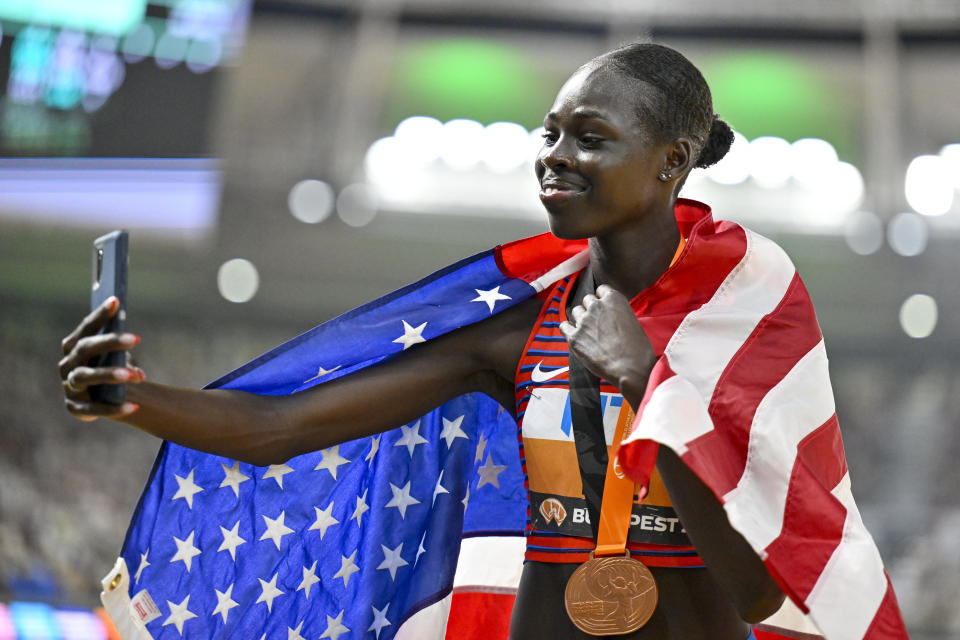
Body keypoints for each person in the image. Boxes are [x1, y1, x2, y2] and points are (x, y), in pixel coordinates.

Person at [60, 44, 791, 639]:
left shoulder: (741, 335)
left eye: (590, 138)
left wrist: (646, 385)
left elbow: (759, 588)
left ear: (672, 160)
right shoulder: (517, 334)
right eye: (552, 133)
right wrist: (129, 397)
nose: (553, 157)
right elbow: (276, 426)